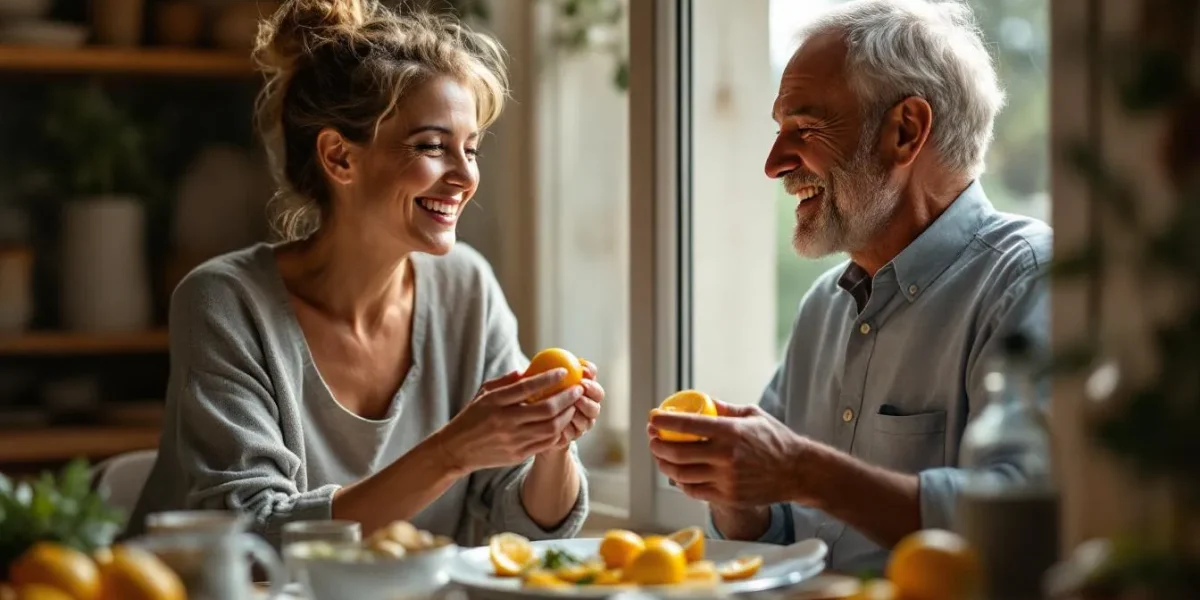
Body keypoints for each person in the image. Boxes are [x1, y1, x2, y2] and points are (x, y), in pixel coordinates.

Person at [126, 0, 601, 547]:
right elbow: (253, 536)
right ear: (340, 158)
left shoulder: (467, 289)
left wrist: (552, 442)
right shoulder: (225, 302)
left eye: (470, 149)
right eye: (432, 146)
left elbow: (523, 527)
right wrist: (452, 452)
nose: (465, 176)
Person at [647, 0, 1051, 573]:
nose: (773, 163)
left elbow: (1021, 523)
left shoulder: (1026, 279)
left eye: (805, 128)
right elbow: (783, 526)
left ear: (905, 131)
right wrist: (733, 492)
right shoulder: (823, 308)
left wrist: (804, 472)